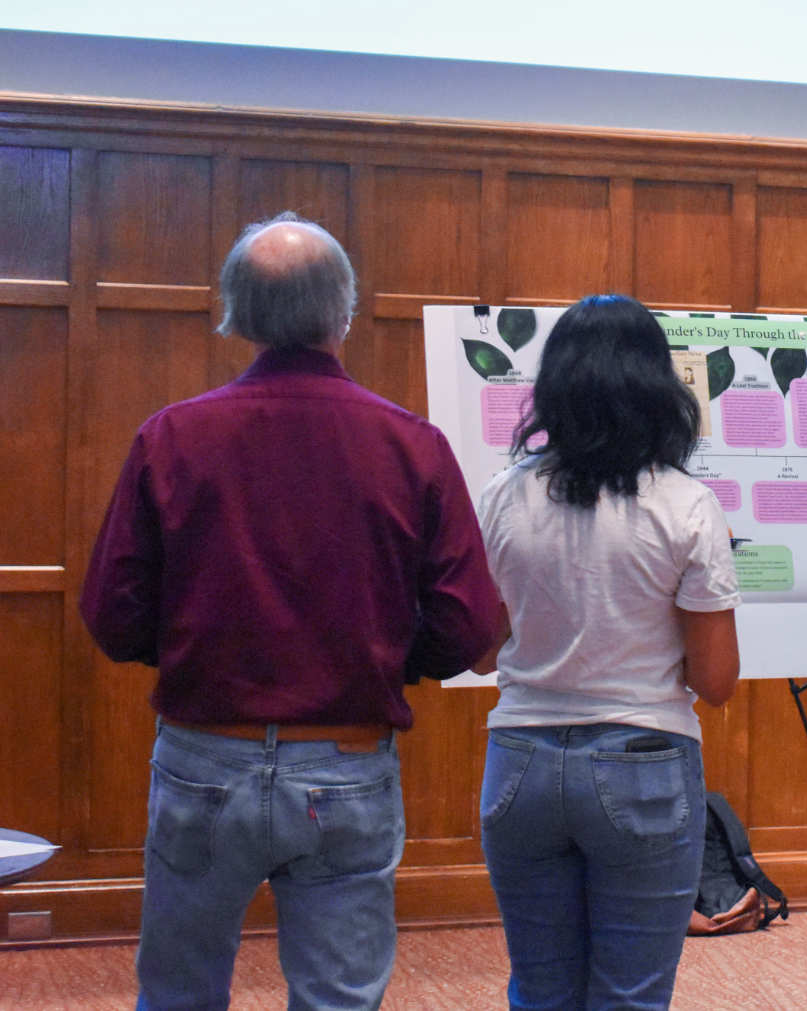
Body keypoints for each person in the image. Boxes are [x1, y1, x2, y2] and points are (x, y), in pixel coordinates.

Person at [79, 212, 501, 1010]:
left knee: (177, 991)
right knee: (339, 998)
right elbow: (468, 625)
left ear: (235, 313)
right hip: (347, 761)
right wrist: (391, 657)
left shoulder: (171, 437)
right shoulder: (412, 446)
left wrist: (189, 648)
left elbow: (113, 612)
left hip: (204, 753)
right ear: (344, 312)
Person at [474, 294, 742, 1010]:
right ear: (659, 389)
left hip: (520, 763)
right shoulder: (686, 505)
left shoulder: (503, 495)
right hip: (643, 760)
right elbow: (715, 680)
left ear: (555, 386)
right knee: (630, 997)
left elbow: (477, 652)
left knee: (540, 990)